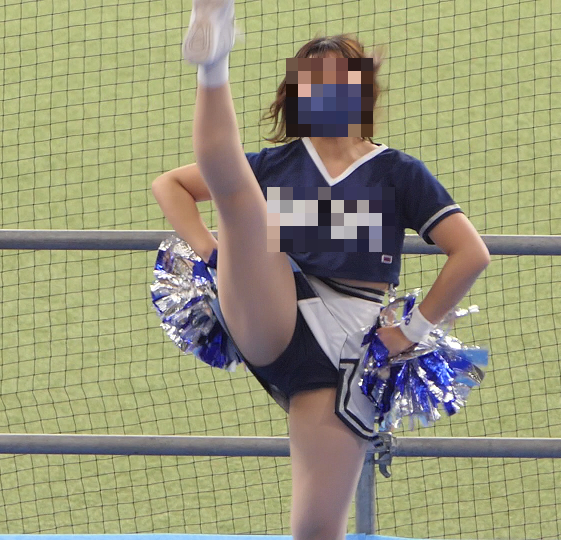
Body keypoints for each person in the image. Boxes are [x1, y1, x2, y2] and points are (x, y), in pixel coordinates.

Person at [152, 1, 491, 538]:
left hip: (346, 353)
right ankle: (213, 61)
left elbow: (471, 254)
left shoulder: (396, 171)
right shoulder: (277, 163)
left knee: (316, 528)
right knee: (240, 201)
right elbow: (169, 185)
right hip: (275, 306)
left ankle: (215, 59)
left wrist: (410, 331)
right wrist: (214, 254)